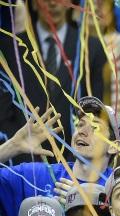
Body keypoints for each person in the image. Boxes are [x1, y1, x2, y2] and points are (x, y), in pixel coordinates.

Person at [0, 96, 120, 216]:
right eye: (80, 124)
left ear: (113, 146)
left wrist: (83, 209)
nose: (82, 131)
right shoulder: (36, 176)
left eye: (94, 127)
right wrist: (13, 146)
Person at [0, 0, 106, 146]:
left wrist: (75, 160)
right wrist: (22, 154)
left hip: (74, 159)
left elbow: (95, 111)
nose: (53, 3)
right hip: (24, 160)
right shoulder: (11, 49)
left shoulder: (90, 48)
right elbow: (4, 114)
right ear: (33, 4)